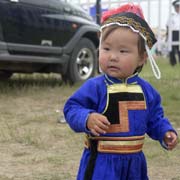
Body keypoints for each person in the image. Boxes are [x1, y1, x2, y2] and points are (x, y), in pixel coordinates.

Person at [63, 3, 178, 180]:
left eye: (123, 51)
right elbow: (71, 108)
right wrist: (87, 118)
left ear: (141, 58)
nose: (113, 56)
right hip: (101, 163)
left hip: (134, 164)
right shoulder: (95, 86)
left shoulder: (147, 91)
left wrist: (165, 132)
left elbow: (155, 118)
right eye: (106, 48)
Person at [166, 0, 180, 66]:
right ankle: (173, 63)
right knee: (172, 49)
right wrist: (167, 36)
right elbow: (168, 26)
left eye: (179, 6)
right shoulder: (172, 16)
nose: (177, 8)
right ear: (174, 7)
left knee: (179, 49)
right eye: (176, 7)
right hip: (173, 33)